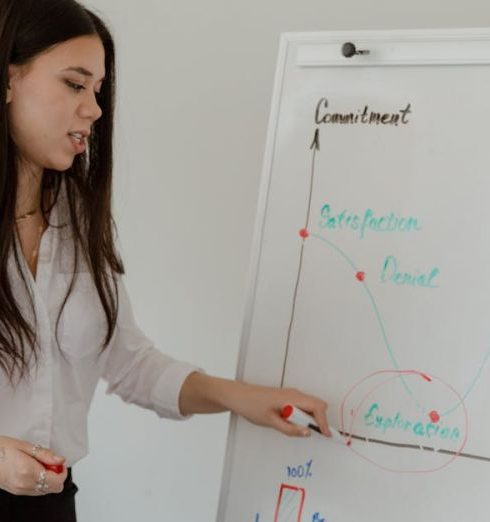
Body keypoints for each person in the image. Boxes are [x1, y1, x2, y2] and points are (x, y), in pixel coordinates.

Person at [0, 0, 331, 520]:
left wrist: (241, 397)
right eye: (74, 84)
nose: (94, 108)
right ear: (8, 80)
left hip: (49, 504)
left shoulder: (79, 223)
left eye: (98, 90)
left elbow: (129, 361)